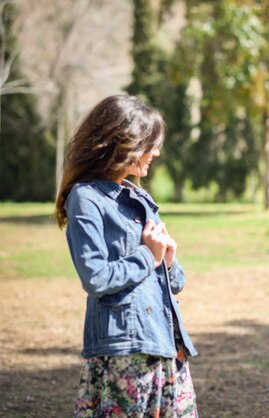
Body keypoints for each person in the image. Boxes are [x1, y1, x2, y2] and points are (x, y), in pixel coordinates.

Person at [55, 95, 198, 417]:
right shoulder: (86, 198)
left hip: (165, 341)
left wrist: (168, 259)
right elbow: (95, 277)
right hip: (125, 347)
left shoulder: (140, 197)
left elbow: (174, 283)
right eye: (150, 144)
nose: (156, 153)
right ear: (124, 143)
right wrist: (148, 255)